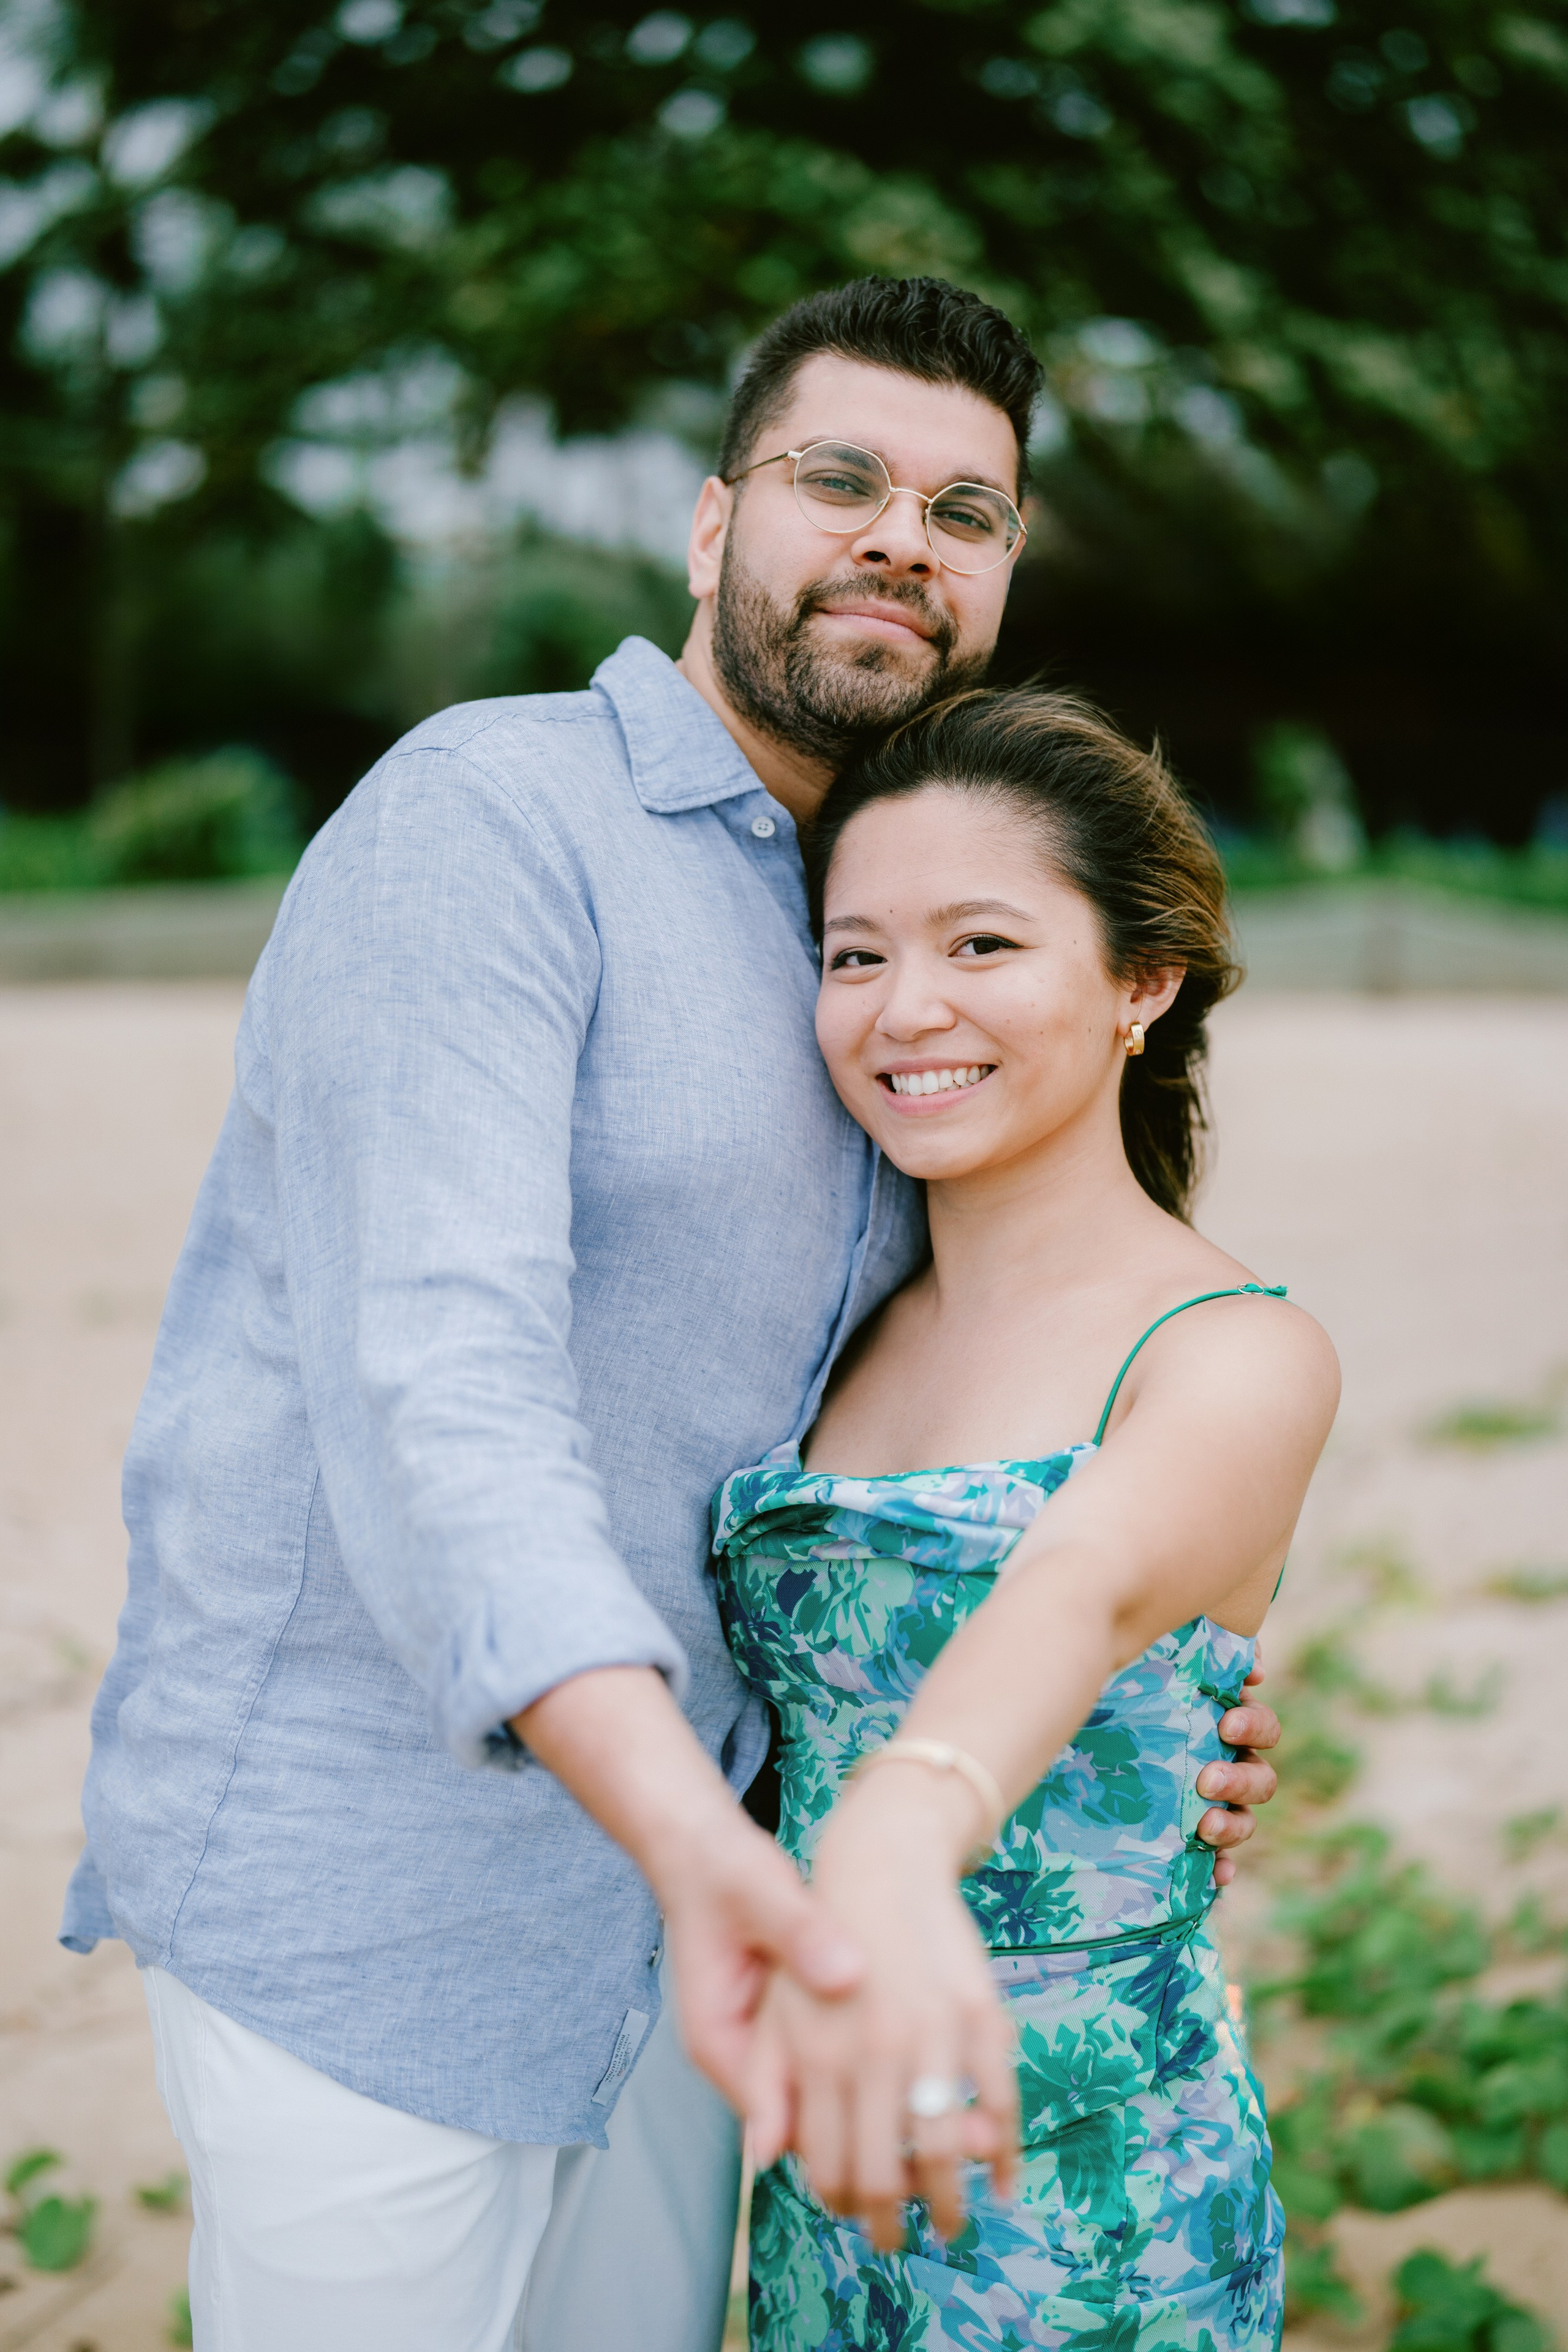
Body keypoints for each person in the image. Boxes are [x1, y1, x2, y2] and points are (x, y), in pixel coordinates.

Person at [59, 277, 1281, 2352]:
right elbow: (440, 1381)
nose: (906, 537)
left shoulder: (877, 938)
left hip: (720, 1904)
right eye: (843, 480)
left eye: (967, 512)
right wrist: (713, 1853)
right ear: (716, 530)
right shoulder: (491, 820)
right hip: (395, 1888)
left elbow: (1053, 1399)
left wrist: (1179, 1680)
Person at [714, 687, 1339, 2348]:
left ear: (1144, 980)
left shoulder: (1235, 1350)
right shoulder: (840, 1326)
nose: (905, 1007)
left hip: (1085, 2188)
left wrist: (904, 1830)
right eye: (855, 955)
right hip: (827, 2165)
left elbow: (1074, 1585)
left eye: (981, 944)